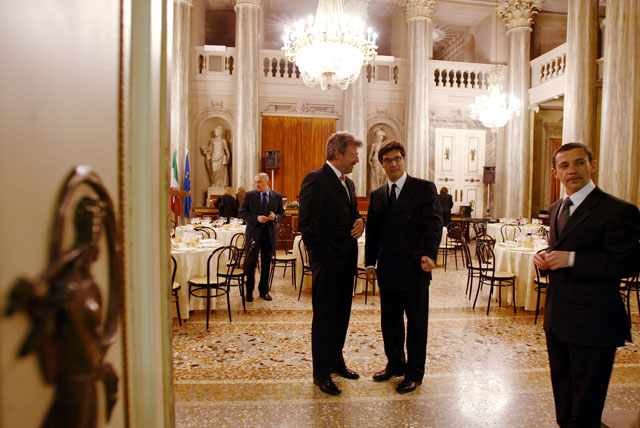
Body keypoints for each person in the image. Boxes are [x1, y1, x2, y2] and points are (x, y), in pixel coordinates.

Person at [533, 142, 640, 428]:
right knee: (564, 400)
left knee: (586, 406)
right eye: (564, 165)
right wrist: (545, 259)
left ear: (592, 165)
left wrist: (572, 259)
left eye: (579, 162)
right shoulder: (557, 208)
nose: (572, 170)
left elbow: (628, 262)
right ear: (556, 173)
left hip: (594, 322)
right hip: (558, 320)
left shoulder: (618, 210)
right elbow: (562, 249)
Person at [364, 141, 443, 394]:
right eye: (388, 160)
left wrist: (430, 254)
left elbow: (434, 224)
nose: (393, 164)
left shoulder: (423, 188)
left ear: (404, 159)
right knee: (390, 321)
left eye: (397, 158)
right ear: (381, 164)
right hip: (388, 269)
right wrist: (369, 263)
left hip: (415, 268)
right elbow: (372, 232)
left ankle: (414, 373)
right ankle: (395, 364)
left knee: (417, 324)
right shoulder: (377, 195)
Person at [298, 131, 365, 396]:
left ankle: (336, 362)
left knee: (341, 316)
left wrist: (360, 220)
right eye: (354, 155)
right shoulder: (316, 179)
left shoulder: (349, 184)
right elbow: (307, 224)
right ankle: (321, 373)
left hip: (347, 263)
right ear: (338, 153)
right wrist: (322, 259)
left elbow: (352, 213)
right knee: (325, 319)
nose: (357, 160)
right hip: (327, 265)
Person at [239, 173, 284, 302]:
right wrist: (257, 218)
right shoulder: (249, 195)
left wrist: (275, 217)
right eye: (256, 182)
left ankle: (263, 291)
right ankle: (249, 291)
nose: (257, 184)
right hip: (253, 234)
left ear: (267, 182)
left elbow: (281, 213)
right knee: (251, 264)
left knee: (266, 264)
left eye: (259, 182)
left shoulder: (277, 196)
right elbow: (243, 212)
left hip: (269, 234)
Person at [368, 126, 387, 192]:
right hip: (375, 159)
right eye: (381, 136)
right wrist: (369, 161)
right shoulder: (374, 145)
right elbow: (371, 154)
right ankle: (377, 187)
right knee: (376, 174)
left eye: (382, 136)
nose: (382, 137)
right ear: (378, 136)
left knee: (383, 174)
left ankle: (382, 186)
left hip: (381, 160)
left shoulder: (383, 144)